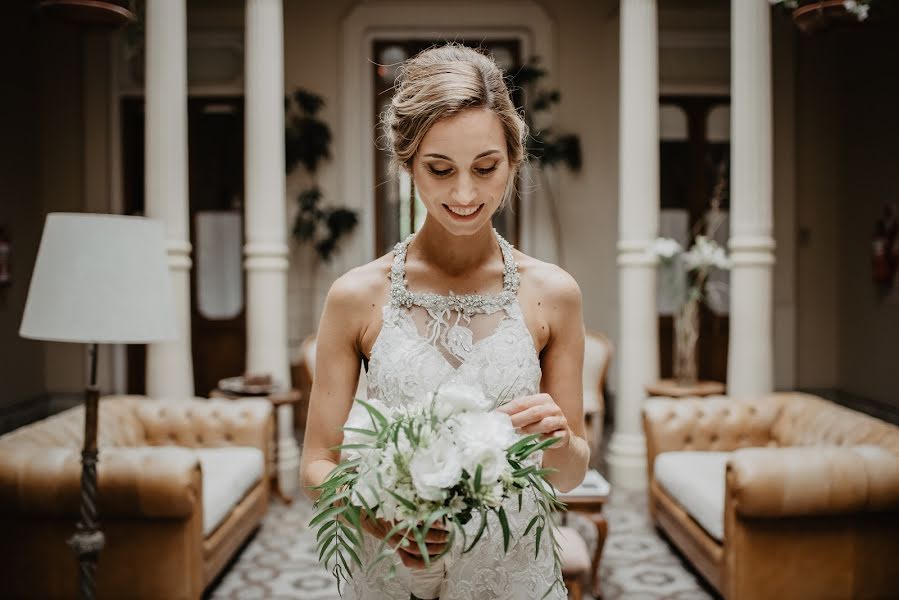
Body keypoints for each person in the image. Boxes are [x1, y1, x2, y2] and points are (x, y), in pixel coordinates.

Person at [299, 43, 589, 599]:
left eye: (486, 168)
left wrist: (557, 438)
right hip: (391, 575)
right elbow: (316, 462)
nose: (464, 193)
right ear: (405, 162)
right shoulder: (356, 296)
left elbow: (568, 475)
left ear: (513, 157)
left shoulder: (554, 295)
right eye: (439, 169)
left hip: (511, 576)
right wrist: (377, 519)